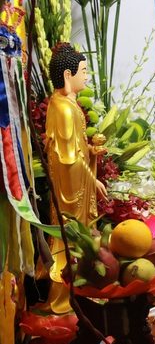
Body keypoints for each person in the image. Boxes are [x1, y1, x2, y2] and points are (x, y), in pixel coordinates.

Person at [41, 43, 107, 314]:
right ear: (68, 76)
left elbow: (75, 148)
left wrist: (91, 151)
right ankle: (65, 302)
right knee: (72, 240)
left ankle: (79, 296)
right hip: (72, 191)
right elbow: (69, 158)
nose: (86, 77)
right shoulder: (65, 108)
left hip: (72, 183)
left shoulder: (62, 103)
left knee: (77, 239)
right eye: (83, 71)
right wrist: (93, 179)